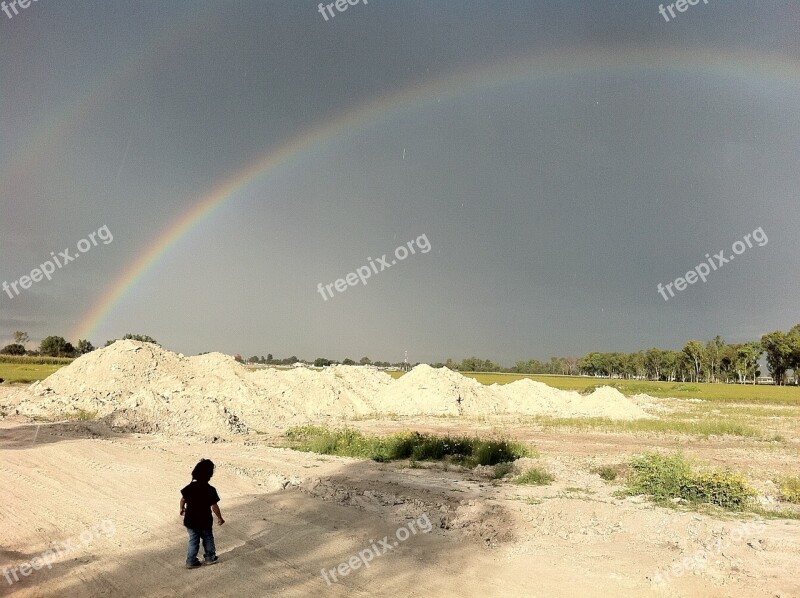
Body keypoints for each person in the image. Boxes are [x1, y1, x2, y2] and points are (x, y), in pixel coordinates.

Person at [180, 459, 224, 569]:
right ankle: (210, 558)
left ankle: (190, 561)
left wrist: (181, 508)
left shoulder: (189, 487)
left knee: (193, 540)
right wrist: (220, 517)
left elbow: (183, 500)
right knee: (208, 537)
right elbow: (214, 506)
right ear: (209, 475)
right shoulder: (210, 490)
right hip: (205, 520)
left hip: (190, 519)